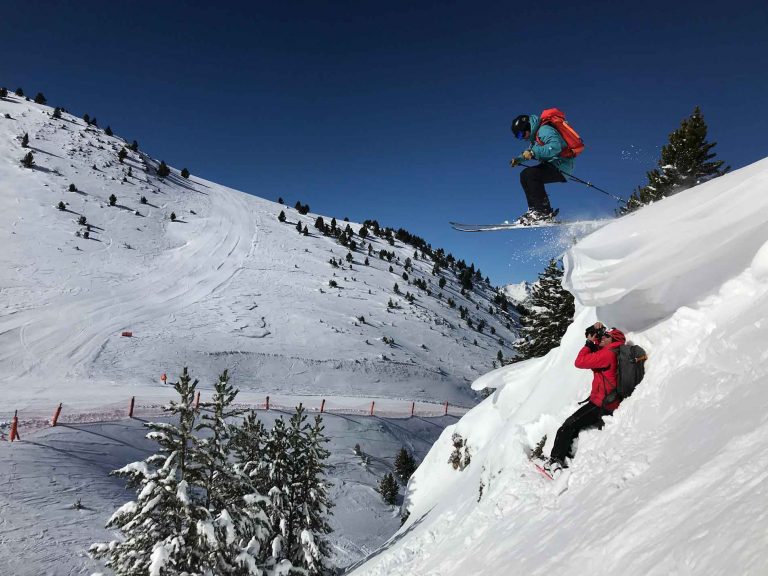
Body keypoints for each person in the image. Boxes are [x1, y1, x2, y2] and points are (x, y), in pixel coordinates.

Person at [544, 322, 626, 475]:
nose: (602, 338)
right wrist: (593, 333)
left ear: (613, 340)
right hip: (609, 400)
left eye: (606, 336)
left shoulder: (607, 354)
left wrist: (589, 343)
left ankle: (555, 461)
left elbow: (580, 362)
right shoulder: (614, 350)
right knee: (574, 424)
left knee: (567, 426)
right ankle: (567, 454)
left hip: (601, 404)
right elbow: (597, 347)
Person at [510, 113, 575, 225]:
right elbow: (529, 152)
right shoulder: (535, 138)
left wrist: (533, 152)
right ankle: (534, 211)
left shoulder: (544, 130)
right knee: (524, 175)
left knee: (531, 174)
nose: (522, 138)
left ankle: (543, 211)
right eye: (518, 137)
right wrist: (518, 160)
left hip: (561, 165)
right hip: (553, 165)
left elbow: (555, 147)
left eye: (521, 134)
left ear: (527, 127)